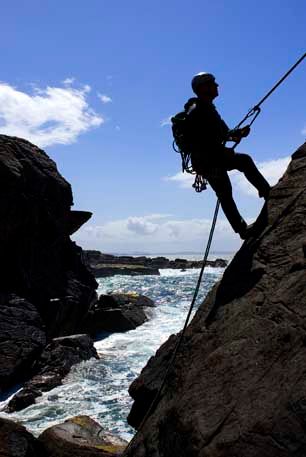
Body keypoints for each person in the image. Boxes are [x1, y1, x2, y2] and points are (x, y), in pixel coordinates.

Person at [187, 72, 270, 239]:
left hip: (210, 159)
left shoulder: (207, 108)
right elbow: (205, 140)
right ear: (203, 88)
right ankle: (263, 198)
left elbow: (223, 133)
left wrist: (237, 133)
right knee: (227, 188)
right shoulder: (198, 111)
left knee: (227, 189)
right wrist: (228, 143)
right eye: (212, 83)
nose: (217, 86)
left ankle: (245, 224)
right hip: (208, 160)